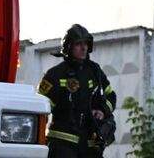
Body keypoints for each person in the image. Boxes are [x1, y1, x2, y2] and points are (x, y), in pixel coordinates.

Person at [38, 23, 115, 157]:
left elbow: (111, 96)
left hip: (90, 143)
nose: (83, 48)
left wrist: (102, 111)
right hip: (63, 143)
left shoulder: (95, 71)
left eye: (85, 43)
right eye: (78, 44)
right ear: (69, 47)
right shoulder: (55, 75)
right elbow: (40, 109)